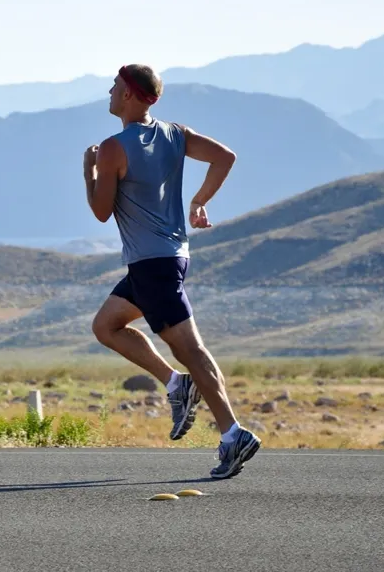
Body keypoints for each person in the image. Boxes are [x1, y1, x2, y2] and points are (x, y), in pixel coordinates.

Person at [83, 64, 260, 479]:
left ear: (128, 93)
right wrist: (199, 201)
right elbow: (224, 157)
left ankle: (233, 433)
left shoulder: (111, 149)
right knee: (106, 326)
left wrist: (89, 171)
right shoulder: (175, 134)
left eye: (113, 87)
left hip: (152, 265)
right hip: (168, 258)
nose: (108, 93)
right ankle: (176, 384)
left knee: (191, 350)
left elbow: (101, 211)